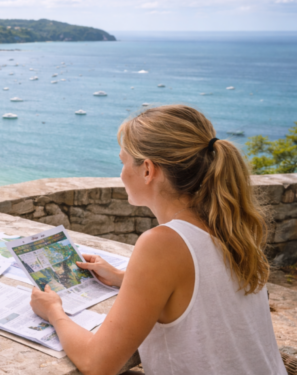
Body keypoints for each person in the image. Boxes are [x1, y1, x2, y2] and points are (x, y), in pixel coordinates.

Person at [30, 105, 287, 375]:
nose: (121, 173)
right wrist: (122, 277)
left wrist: (53, 312)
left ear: (148, 170)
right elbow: (201, 285)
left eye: (123, 162)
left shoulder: (163, 243)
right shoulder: (228, 224)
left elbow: (98, 364)